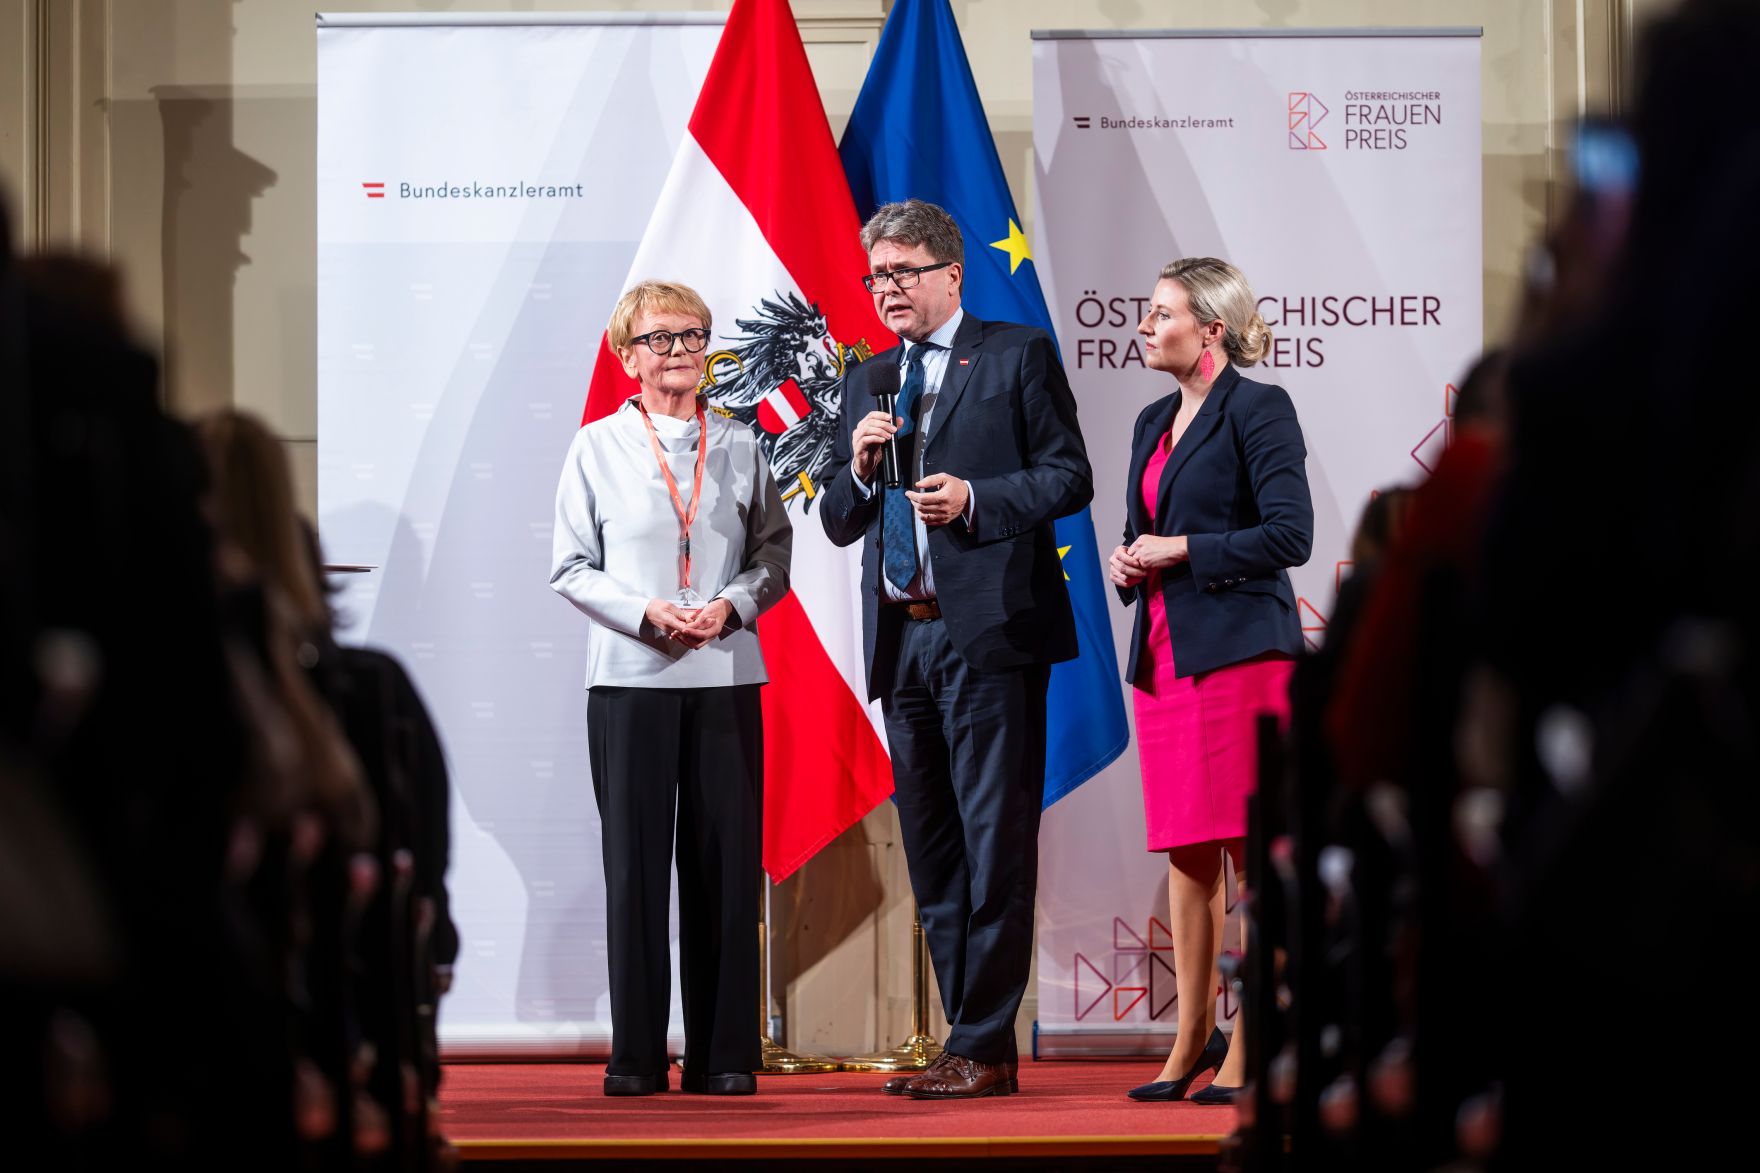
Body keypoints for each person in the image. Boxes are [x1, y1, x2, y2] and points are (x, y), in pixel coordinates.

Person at [820, 199, 1093, 1100]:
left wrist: (977, 499)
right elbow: (836, 522)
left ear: (951, 274)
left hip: (990, 639)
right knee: (935, 852)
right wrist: (857, 469)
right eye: (877, 277)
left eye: (902, 273)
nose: (887, 291)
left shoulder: (1013, 353)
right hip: (905, 643)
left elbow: (1067, 475)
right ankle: (962, 1044)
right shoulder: (866, 380)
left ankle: (984, 1043)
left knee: (995, 844)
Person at [550, 279, 791, 1097]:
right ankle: (638, 1056)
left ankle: (725, 1052)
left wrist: (730, 605)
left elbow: (774, 557)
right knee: (638, 867)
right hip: (630, 678)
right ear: (627, 356)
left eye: (693, 335)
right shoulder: (595, 447)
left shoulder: (741, 443)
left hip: (725, 673)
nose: (681, 351)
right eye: (661, 339)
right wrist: (647, 612)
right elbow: (570, 566)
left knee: (725, 867)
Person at [1108, 257, 1312, 1103]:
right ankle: (1191, 1033)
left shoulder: (1259, 408)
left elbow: (1289, 534)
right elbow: (1143, 528)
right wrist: (1130, 560)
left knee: (1250, 852)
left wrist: (1184, 550)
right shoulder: (1153, 418)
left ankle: (1258, 1036)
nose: (1146, 328)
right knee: (1186, 854)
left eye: (1161, 315)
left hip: (1241, 657)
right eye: (1146, 314)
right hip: (1165, 653)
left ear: (1211, 329)